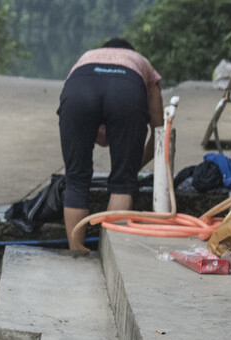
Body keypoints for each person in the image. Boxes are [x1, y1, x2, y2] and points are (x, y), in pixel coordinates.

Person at [58, 38, 165, 251]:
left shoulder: (86, 57)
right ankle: (112, 254)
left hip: (80, 89)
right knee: (123, 184)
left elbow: (70, 100)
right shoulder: (141, 63)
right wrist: (131, 167)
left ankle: (76, 252)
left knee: (76, 180)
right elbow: (161, 133)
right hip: (126, 90)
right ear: (130, 52)